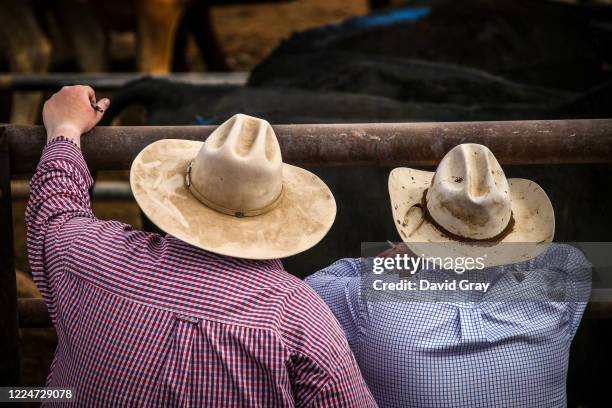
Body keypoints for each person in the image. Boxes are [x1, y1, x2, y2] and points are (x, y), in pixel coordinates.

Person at [27, 85, 377, 407]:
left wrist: (65, 131)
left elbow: (55, 206)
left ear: (180, 190)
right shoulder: (299, 316)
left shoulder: (88, 253)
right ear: (278, 213)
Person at [306, 143, 591, 407]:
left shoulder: (369, 300)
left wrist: (398, 257)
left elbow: (314, 288)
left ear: (421, 230)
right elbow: (561, 255)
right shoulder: (560, 283)